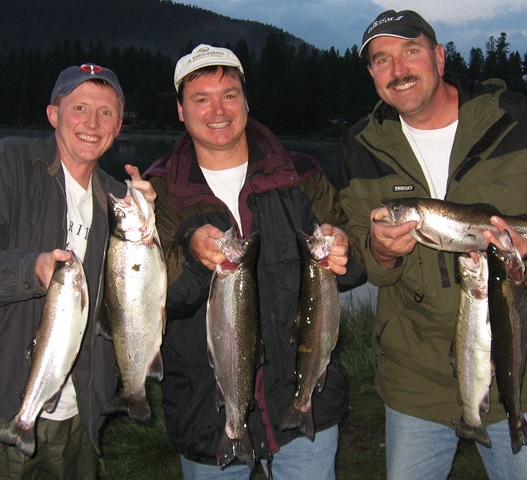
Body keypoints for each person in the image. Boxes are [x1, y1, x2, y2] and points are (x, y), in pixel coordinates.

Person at [338, 9, 527, 480]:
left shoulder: (517, 117)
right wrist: (381, 251)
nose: (398, 70)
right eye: (381, 60)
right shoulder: (360, 143)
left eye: (410, 51)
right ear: (371, 74)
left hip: (521, 367)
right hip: (414, 381)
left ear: (438, 56)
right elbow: (361, 258)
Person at [142, 44, 366, 479]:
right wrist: (192, 258)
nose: (217, 110)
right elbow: (153, 297)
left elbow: (355, 263)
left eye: (229, 94)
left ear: (246, 101)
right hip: (207, 413)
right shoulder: (160, 192)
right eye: (200, 99)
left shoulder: (301, 174)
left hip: (305, 409)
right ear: (181, 111)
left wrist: (344, 250)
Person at [0, 63, 154, 479]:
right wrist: (27, 270)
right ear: (53, 114)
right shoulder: (8, 164)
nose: (92, 123)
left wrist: (150, 224)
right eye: (79, 108)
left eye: (106, 113)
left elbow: (144, 295)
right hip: (1, 404)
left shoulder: (117, 199)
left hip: (80, 413)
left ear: (119, 126)